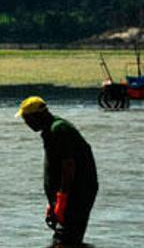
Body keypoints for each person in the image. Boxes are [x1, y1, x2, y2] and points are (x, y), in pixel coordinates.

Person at [17, 97, 98, 246]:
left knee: (65, 239)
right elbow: (56, 168)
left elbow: (69, 166)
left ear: (36, 116)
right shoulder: (49, 130)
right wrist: (52, 202)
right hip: (66, 195)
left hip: (77, 193)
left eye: (26, 119)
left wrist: (62, 198)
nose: (26, 123)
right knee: (66, 239)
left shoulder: (59, 129)